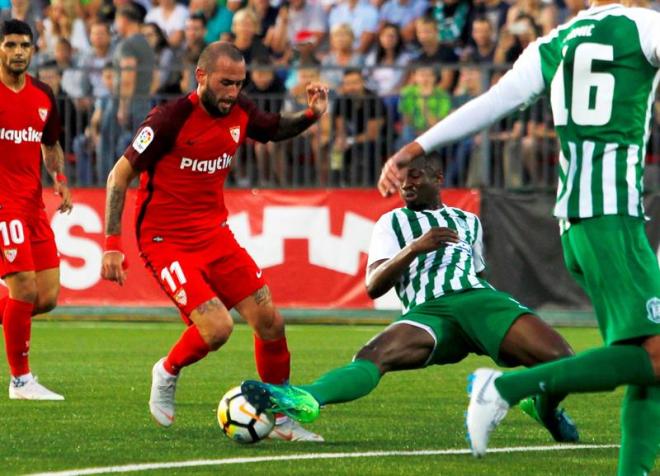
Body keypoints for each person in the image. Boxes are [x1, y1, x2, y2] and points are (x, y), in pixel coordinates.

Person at [376, 1, 660, 473]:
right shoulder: (645, 26)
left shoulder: (554, 42)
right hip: (612, 217)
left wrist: (416, 145)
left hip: (578, 220)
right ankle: (503, 389)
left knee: (645, 361)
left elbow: (493, 103)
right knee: (653, 359)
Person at [240, 153, 579, 447]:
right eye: (400, 179)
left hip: (477, 300)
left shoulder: (469, 222)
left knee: (561, 359)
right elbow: (373, 285)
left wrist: (492, 323)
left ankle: (545, 409)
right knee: (372, 355)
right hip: (428, 312)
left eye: (414, 176)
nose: (406, 184)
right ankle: (304, 397)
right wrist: (414, 247)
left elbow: (478, 272)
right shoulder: (392, 222)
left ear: (438, 178)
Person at [100, 41, 329, 442]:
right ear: (201, 76)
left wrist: (311, 114)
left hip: (214, 234)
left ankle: (280, 419)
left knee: (271, 322)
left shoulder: (240, 110)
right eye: (225, 83)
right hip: (164, 238)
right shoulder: (167, 120)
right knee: (218, 328)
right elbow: (118, 177)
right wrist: (112, 243)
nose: (232, 92)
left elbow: (274, 130)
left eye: (239, 84)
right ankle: (166, 371)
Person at [0, 19, 72, 399]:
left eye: (24, 45)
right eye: (10, 44)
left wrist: (59, 178)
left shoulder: (43, 95)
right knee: (23, 287)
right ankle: (21, 380)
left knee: (46, 296)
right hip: (2, 205)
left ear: (33, 50)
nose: (18, 52)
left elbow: (50, 143)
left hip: (32, 203)